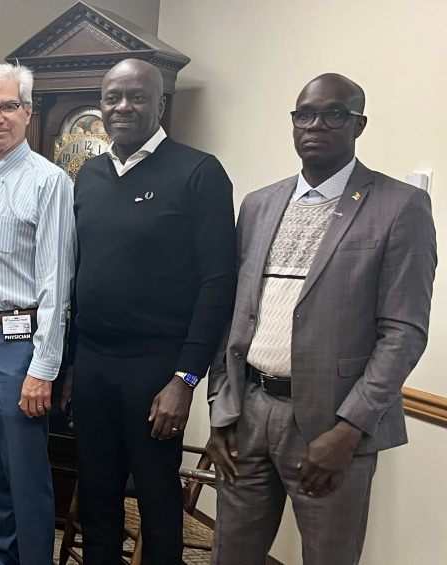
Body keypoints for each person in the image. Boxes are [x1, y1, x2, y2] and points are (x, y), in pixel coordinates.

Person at [206, 74, 436, 565]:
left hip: (331, 426)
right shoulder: (259, 204)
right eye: (304, 114)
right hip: (249, 411)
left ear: (359, 124)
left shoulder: (401, 206)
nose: (316, 125)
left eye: (334, 115)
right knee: (230, 554)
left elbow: (404, 332)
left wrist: (349, 430)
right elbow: (232, 311)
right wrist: (221, 406)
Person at [67, 58, 237, 565]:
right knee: (98, 497)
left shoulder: (199, 172)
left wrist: (184, 379)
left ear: (160, 104)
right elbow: (81, 272)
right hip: (94, 364)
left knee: (158, 507)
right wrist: (74, 363)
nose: (122, 106)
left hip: (158, 371)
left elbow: (217, 284)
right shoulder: (90, 175)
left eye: (136, 97)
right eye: (112, 96)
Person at [0, 63, 75, 565]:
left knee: (24, 475)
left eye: (8, 106)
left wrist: (42, 369)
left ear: (28, 111)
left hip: (16, 347)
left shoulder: (50, 183)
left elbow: (57, 285)